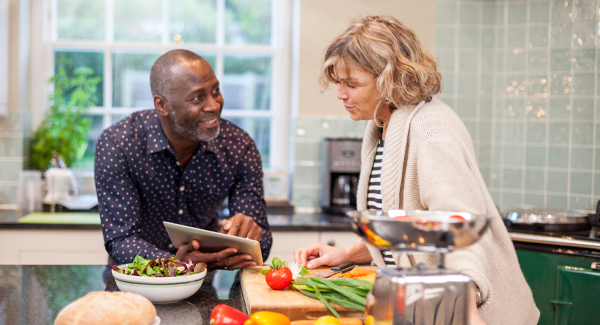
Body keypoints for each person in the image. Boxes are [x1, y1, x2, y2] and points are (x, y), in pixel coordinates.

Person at [294, 15, 539, 325]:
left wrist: (465, 306)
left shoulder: (431, 130)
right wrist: (348, 254)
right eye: (338, 82)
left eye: (352, 84)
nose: (341, 93)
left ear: (389, 79)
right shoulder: (383, 126)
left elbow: (461, 228)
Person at [95, 49, 272, 270]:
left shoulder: (238, 147)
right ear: (162, 105)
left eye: (215, 90)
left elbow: (261, 247)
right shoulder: (119, 144)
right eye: (198, 97)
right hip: (136, 283)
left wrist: (249, 235)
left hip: (203, 280)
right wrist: (176, 265)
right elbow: (121, 240)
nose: (214, 105)